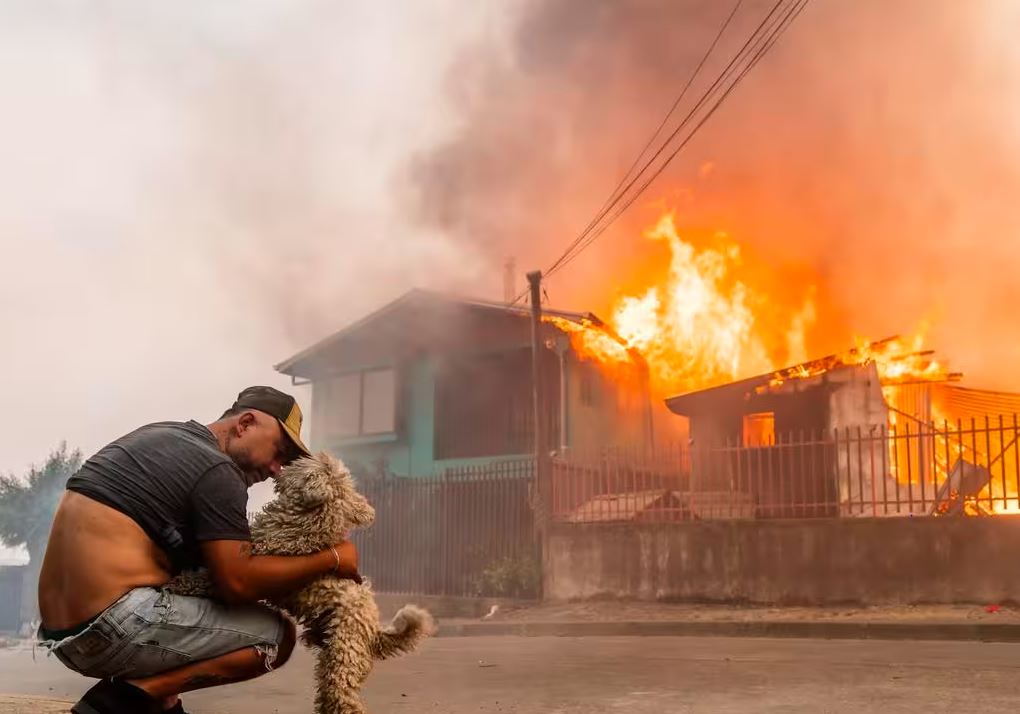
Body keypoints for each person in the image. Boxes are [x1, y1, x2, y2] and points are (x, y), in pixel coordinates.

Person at [37, 386, 361, 714]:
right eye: (279, 452)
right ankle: (128, 697)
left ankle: (164, 703)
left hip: (62, 636)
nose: (277, 468)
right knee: (276, 636)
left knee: (188, 592)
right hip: (113, 626)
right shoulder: (218, 470)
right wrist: (332, 559)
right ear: (245, 424)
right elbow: (238, 584)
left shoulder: (161, 435)